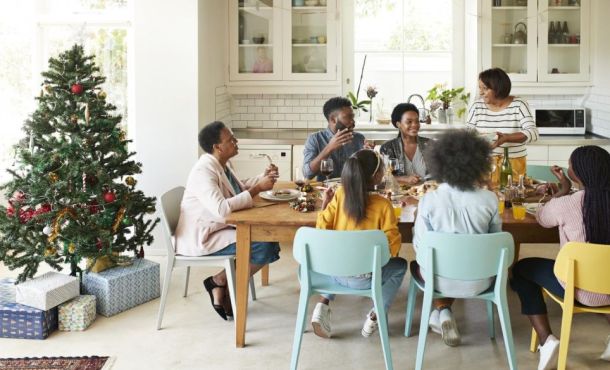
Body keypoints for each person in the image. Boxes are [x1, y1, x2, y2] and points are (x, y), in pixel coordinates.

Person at [511, 146, 610, 370]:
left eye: (571, 165)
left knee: (521, 270)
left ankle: (547, 340)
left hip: (580, 290)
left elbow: (542, 218)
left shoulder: (568, 204)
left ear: (577, 173)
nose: (568, 167)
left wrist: (561, 191)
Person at [174, 121, 281, 321]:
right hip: (202, 236)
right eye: (230, 139)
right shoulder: (203, 171)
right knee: (265, 245)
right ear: (217, 147)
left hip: (217, 228)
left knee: (268, 240)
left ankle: (219, 281)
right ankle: (224, 284)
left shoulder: (221, 164)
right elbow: (222, 209)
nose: (236, 141)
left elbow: (238, 188)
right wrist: (258, 188)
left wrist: (262, 178)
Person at [413, 130, 501, 347]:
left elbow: (420, 247)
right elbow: (496, 242)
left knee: (424, 261)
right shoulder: (490, 199)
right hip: (481, 281)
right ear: (479, 164)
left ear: (440, 164)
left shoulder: (429, 200)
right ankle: (441, 313)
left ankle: (441, 312)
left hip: (439, 280)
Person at [310, 149, 407, 339]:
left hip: (335, 273)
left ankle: (322, 305)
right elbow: (392, 249)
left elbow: (321, 229)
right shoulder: (383, 205)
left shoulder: (340, 195)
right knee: (401, 266)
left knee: (337, 256)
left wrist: (325, 204)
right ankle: (376, 313)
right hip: (364, 278)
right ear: (375, 176)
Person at [466, 67, 539, 186]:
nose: (480, 92)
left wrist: (506, 138)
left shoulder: (519, 105)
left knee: (512, 198)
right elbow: (467, 134)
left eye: (485, 88)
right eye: (480, 88)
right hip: (484, 164)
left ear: (498, 87)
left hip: (513, 164)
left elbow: (533, 133)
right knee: (487, 198)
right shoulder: (477, 106)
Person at [302, 97, 372, 181]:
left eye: (353, 117)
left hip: (352, 191)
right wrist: (329, 148)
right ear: (333, 120)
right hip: (326, 192)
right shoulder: (315, 139)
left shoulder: (359, 138)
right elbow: (308, 174)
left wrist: (369, 155)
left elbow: (367, 173)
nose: (353, 121)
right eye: (348, 117)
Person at [380, 102, 431, 185]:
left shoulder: (431, 145)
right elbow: (384, 176)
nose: (415, 125)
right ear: (398, 124)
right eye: (409, 122)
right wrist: (404, 179)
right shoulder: (388, 148)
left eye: (417, 121)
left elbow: (440, 174)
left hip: (428, 194)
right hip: (399, 195)